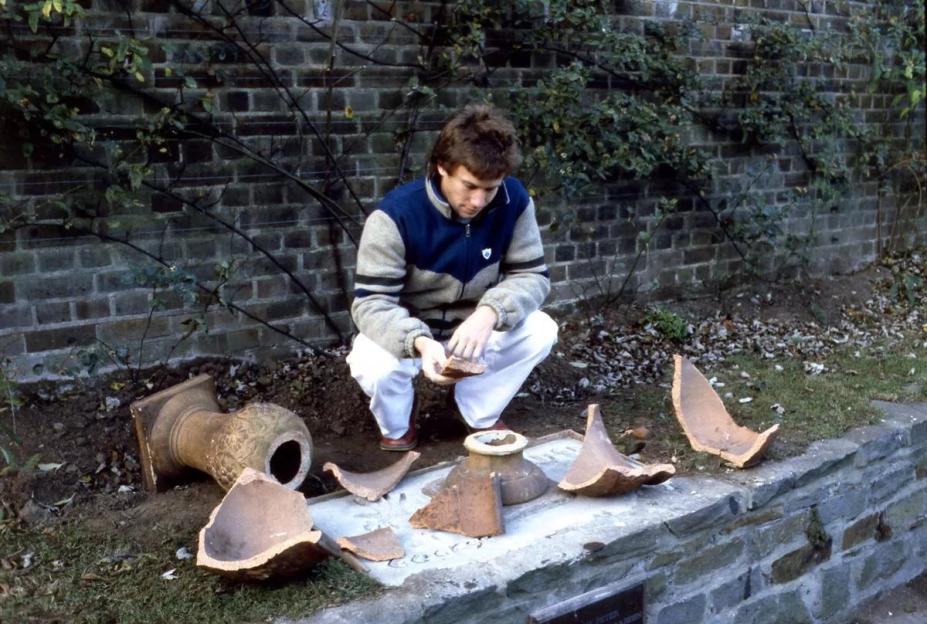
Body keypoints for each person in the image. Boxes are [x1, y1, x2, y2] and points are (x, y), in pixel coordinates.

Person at [346, 104, 558, 451]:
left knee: (541, 330)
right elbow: (371, 303)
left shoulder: (514, 201)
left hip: (473, 330)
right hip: (413, 332)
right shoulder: (395, 215)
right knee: (373, 363)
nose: (478, 201)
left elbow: (532, 275)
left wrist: (489, 313)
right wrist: (419, 342)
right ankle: (398, 423)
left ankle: (475, 409)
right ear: (442, 167)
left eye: (490, 189)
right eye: (470, 186)